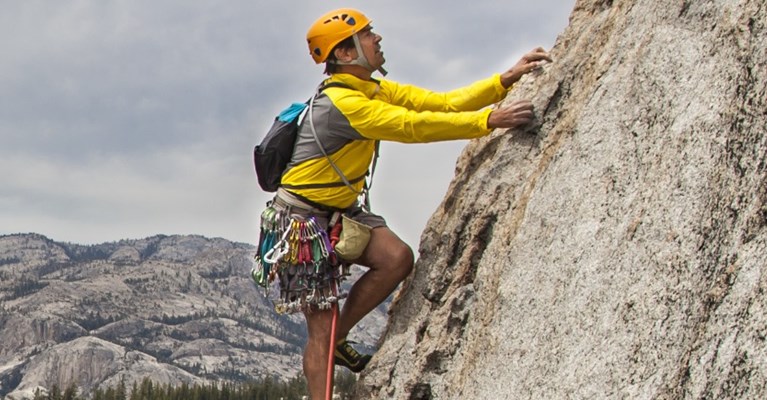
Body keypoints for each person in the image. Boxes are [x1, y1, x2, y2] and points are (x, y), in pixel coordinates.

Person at [263, 8, 551, 399]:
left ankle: (340, 338)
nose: (376, 39)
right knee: (321, 330)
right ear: (346, 55)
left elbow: (439, 104)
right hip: (301, 223)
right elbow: (411, 127)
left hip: (337, 212)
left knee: (397, 258)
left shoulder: (371, 90)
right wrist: (489, 120)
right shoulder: (345, 105)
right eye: (367, 35)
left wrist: (501, 82)